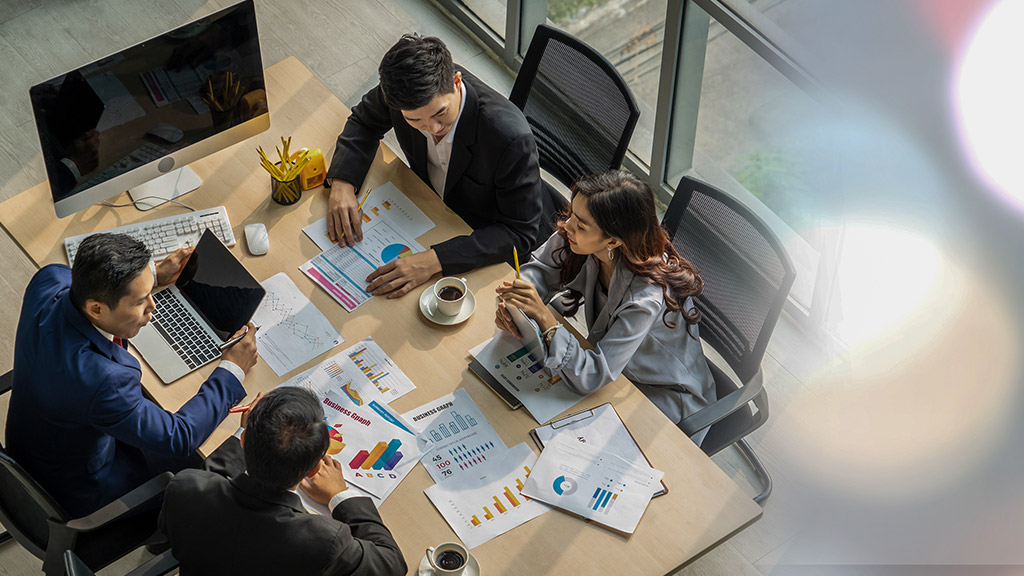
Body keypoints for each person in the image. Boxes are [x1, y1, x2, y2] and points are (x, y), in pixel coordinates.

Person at [5, 233, 257, 517]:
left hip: (30, 442)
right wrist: (232, 369)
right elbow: (181, 435)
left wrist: (152, 277)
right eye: (140, 301)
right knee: (201, 466)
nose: (153, 305)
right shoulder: (104, 381)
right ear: (97, 309)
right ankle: (164, 533)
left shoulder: (50, 279)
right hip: (77, 487)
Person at [495, 170, 717, 445]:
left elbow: (594, 373)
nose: (567, 227)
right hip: (613, 372)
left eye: (581, 225)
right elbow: (539, 272)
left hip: (660, 395)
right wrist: (518, 301)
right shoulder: (581, 237)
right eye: (572, 216)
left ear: (613, 241)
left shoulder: (645, 298)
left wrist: (543, 317)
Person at [325, 34, 545, 298]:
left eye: (440, 113)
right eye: (415, 120)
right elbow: (364, 120)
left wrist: (435, 261)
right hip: (427, 210)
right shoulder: (404, 95)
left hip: (477, 237)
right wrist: (342, 183)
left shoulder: (509, 138)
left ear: (456, 81)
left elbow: (520, 233)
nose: (432, 129)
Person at [159, 387, 407, 576]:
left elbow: (212, 479)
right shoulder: (325, 541)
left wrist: (245, 433)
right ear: (314, 469)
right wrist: (340, 496)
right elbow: (391, 564)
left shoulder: (185, 486)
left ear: (244, 442)